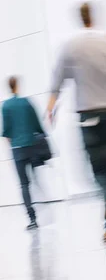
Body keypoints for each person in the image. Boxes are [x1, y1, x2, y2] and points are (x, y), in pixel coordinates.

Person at [47, 2, 106, 242]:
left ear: (79, 19)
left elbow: (58, 78)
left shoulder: (71, 46)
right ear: (93, 17)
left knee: (99, 170)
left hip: (88, 116)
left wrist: (51, 107)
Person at [2, 77, 45, 230]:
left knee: (24, 184)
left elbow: (6, 131)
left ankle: (32, 218)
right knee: (35, 176)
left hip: (17, 149)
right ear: (17, 86)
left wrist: (14, 143)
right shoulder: (26, 102)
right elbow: (37, 125)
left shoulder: (6, 106)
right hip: (32, 146)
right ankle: (43, 197)